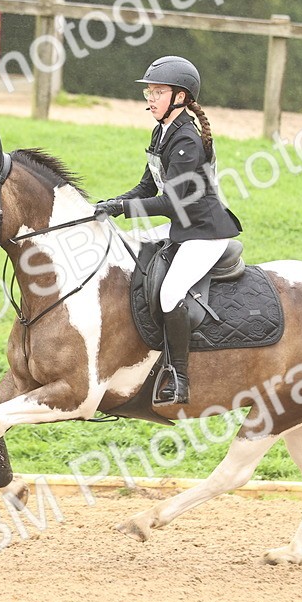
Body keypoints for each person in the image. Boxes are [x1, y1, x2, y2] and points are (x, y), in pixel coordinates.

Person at [94, 56, 242, 405]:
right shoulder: (162, 131)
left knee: (171, 293)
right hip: (181, 226)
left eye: (157, 91)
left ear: (180, 97)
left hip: (205, 232)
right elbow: (147, 187)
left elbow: (172, 202)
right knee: (122, 250)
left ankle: (179, 376)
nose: (150, 97)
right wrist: (110, 203)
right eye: (149, 91)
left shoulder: (187, 139)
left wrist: (121, 209)